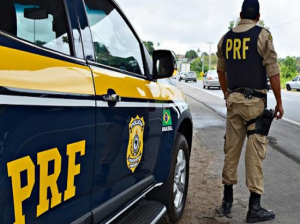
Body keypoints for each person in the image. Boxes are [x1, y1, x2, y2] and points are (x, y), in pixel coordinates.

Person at [216, 0, 284, 223]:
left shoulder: (226, 38)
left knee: (231, 150)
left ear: (240, 14)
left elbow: (221, 70)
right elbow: (273, 73)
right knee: (255, 154)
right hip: (255, 103)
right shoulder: (263, 35)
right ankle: (254, 209)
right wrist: (279, 103)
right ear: (258, 16)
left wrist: (227, 95)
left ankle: (226, 203)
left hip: (234, 102)